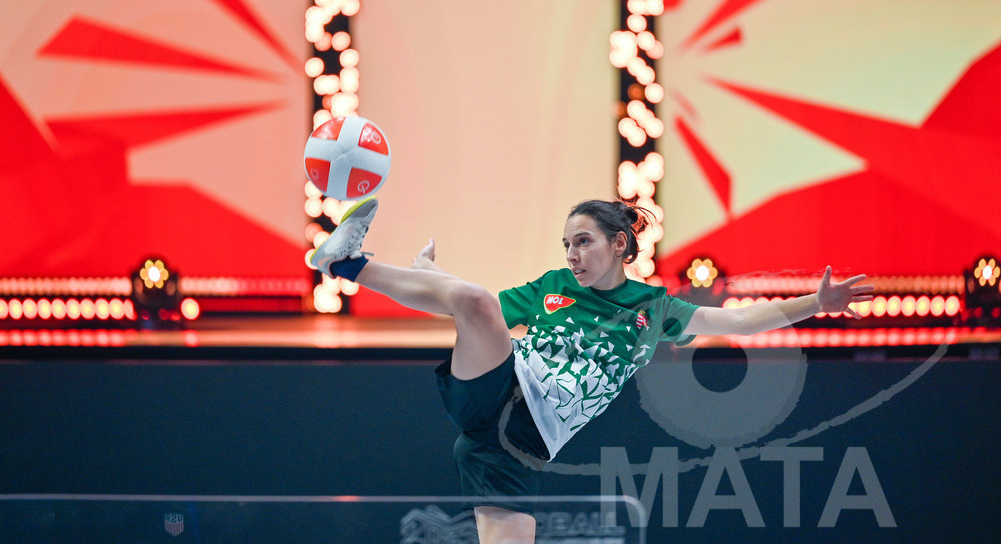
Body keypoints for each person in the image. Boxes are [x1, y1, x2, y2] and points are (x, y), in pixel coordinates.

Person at [307, 196, 873, 544]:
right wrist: (438, 281)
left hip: (512, 445)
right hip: (501, 391)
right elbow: (477, 314)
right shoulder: (553, 288)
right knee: (475, 302)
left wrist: (813, 305)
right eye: (566, 244)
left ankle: (378, 266)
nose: (572, 255)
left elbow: (744, 321)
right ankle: (347, 260)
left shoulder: (656, 311)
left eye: (583, 242)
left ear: (619, 244)